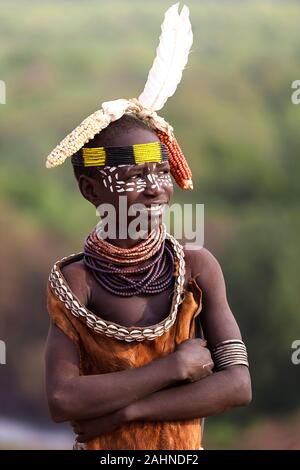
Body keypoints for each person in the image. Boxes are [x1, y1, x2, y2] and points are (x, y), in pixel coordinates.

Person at [44, 4, 251, 450]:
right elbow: (62, 398)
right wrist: (171, 371)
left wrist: (127, 411)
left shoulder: (196, 268)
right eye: (135, 177)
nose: (157, 189)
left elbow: (237, 386)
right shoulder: (75, 282)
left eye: (161, 173)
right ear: (89, 188)